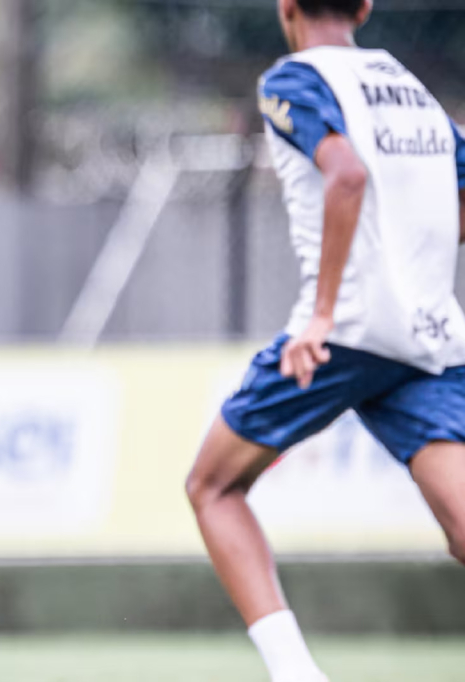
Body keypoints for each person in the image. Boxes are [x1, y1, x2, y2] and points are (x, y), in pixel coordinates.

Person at [185, 1, 465, 680]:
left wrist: (320, 315)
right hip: (430, 340)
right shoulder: (410, 89)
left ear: (286, 6)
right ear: (365, 6)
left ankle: (296, 674)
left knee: (213, 486)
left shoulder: (296, 79)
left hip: (345, 335)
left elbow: (347, 174)